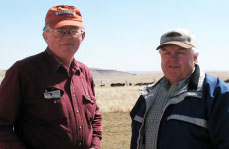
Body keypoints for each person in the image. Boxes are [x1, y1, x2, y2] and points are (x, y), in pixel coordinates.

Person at [0, 5, 102, 149]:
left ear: (82, 36)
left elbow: (95, 116)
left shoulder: (84, 72)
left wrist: (95, 145)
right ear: (45, 36)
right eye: (60, 31)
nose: (67, 36)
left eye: (73, 31)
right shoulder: (23, 72)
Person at [130, 29, 229, 149]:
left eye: (180, 52)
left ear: (195, 57)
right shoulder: (148, 96)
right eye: (166, 53)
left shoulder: (218, 94)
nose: (172, 59)